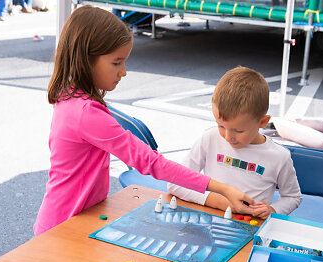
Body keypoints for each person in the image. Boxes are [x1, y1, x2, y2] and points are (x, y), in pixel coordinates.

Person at [34, 6, 255, 236]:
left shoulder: (71, 97)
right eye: (117, 62)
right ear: (86, 58)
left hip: (70, 218)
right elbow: (152, 162)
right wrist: (221, 188)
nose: (123, 72)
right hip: (63, 227)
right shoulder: (86, 113)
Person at [168, 67, 302, 219]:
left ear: (263, 122)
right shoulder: (209, 138)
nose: (227, 137)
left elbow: (293, 197)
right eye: (221, 126)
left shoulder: (279, 157)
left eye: (238, 131)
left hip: (250, 227)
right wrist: (218, 201)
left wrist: (273, 210)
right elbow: (176, 182)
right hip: (208, 220)